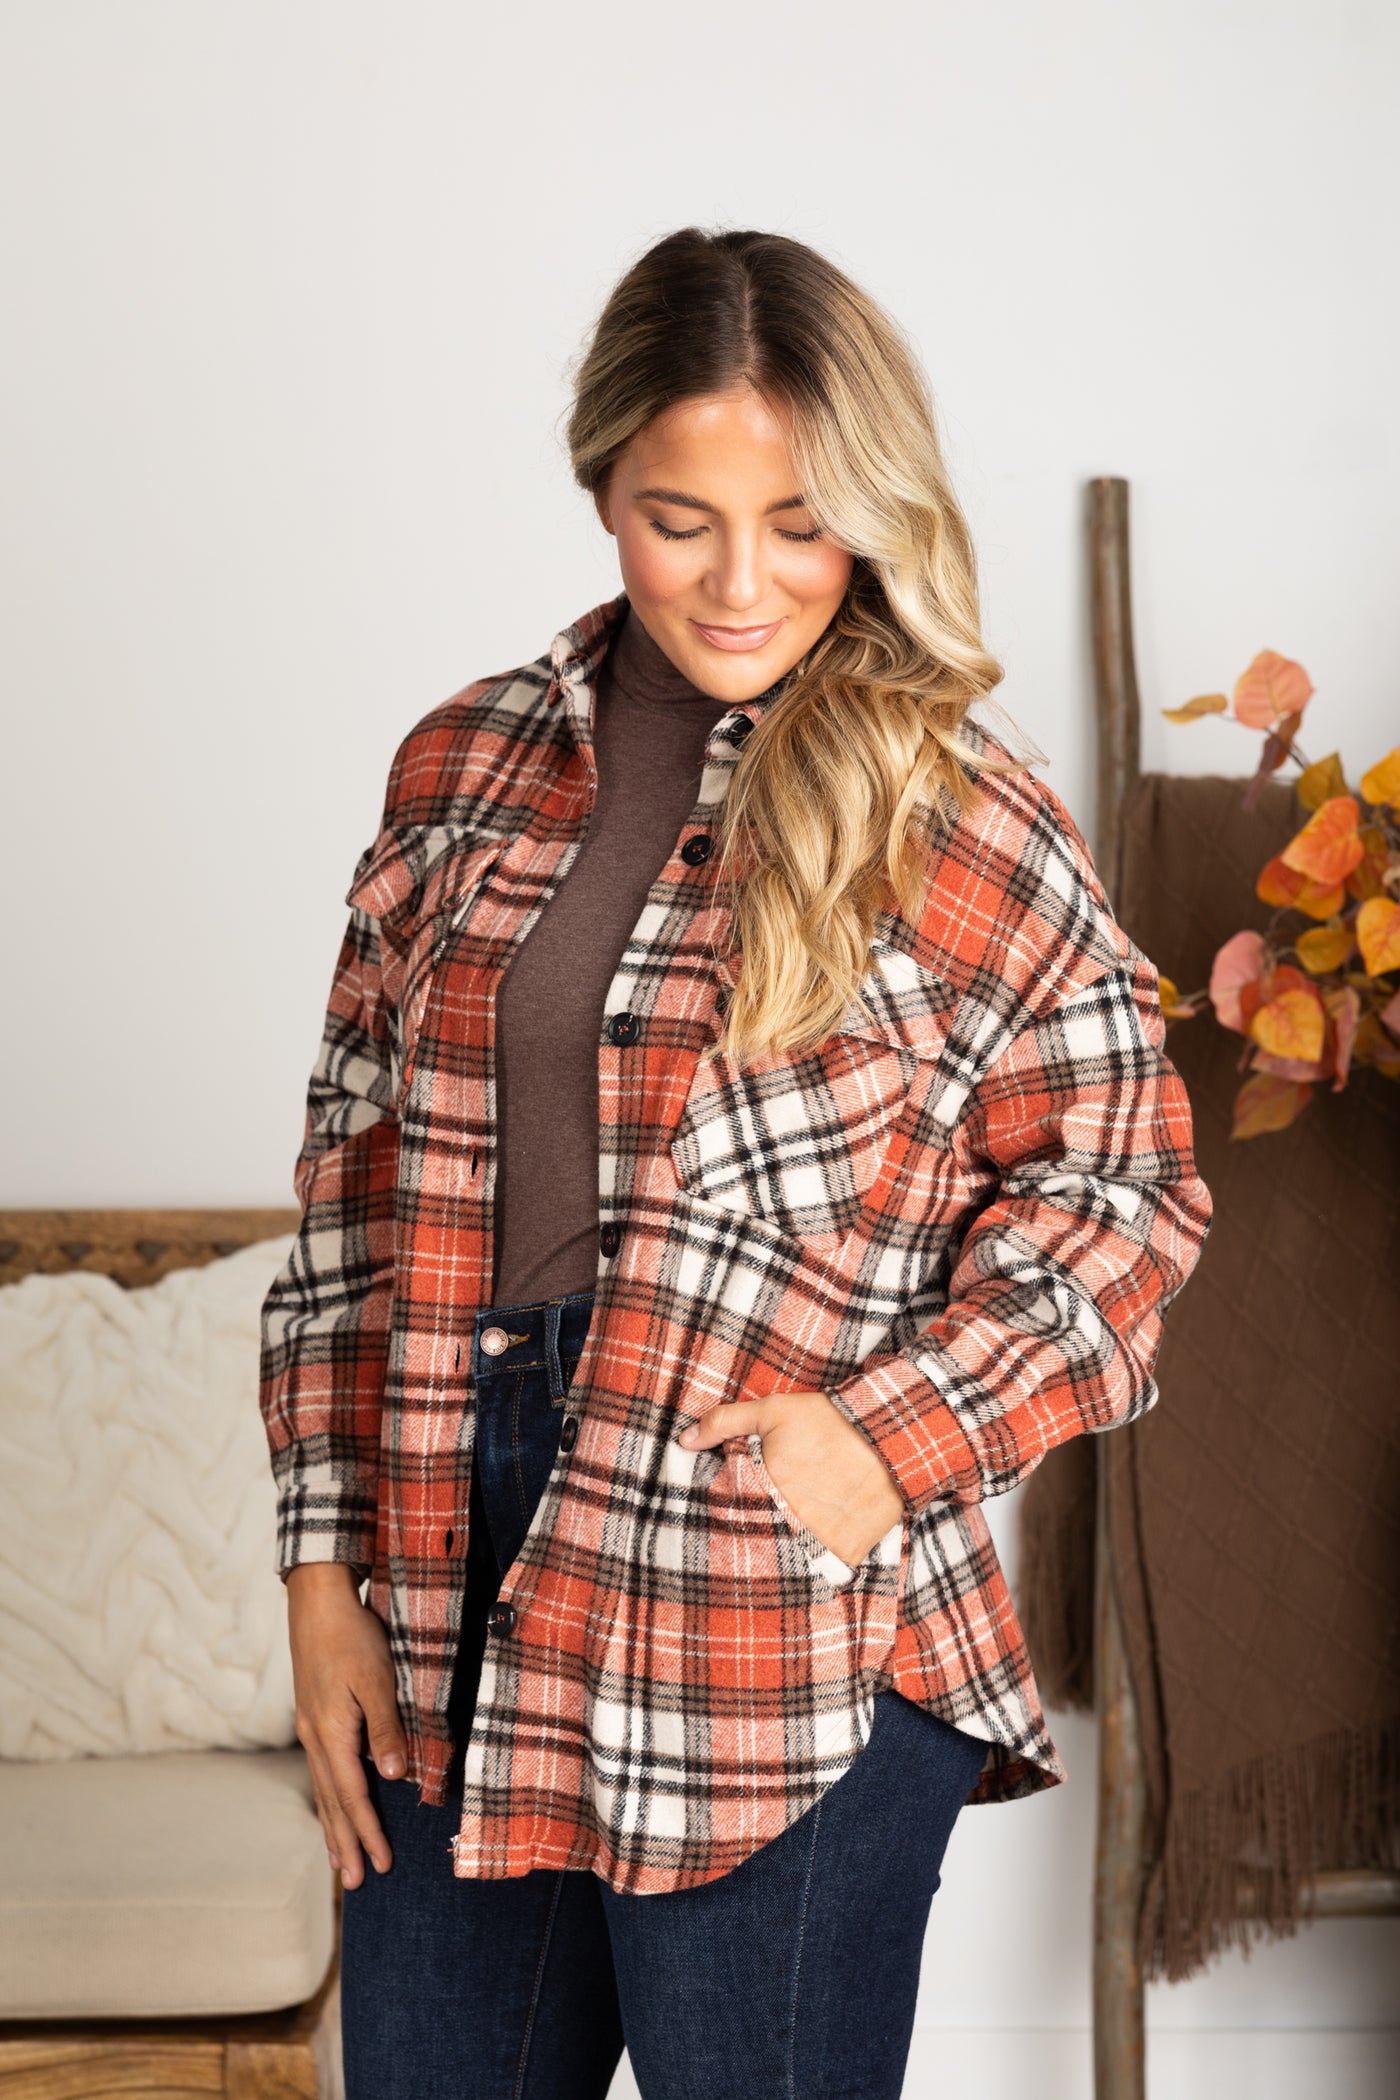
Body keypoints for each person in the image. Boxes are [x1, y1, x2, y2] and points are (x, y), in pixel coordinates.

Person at [259, 226, 1213, 2100]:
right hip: (444, 1576)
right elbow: (347, 1194)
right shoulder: (459, 769)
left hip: (768, 1595)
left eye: (801, 522)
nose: (742, 580)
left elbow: (1127, 1200)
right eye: (677, 518)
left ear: (873, 514)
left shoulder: (960, 810)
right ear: (602, 488)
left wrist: (886, 1440)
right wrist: (318, 1568)